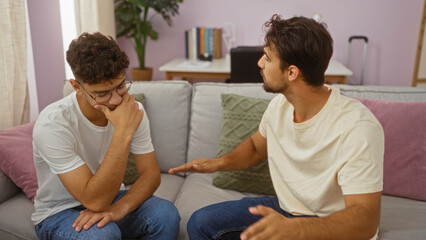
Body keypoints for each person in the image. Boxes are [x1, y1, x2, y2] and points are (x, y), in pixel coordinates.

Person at [169, 15, 384, 240]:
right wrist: (217, 163)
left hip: (331, 226)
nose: (260, 63)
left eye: (267, 58)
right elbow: (254, 147)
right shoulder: (280, 105)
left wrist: (298, 229)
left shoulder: (358, 127)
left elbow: (365, 221)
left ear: (292, 72)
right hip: (286, 209)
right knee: (201, 223)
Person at [32, 32, 180, 240]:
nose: (116, 100)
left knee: (166, 214)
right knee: (102, 235)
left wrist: (120, 208)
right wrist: (122, 131)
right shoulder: (52, 125)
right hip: (59, 211)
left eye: (120, 86)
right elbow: (95, 202)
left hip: (110, 197)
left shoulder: (133, 110)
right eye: (102, 93)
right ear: (77, 87)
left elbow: (151, 175)